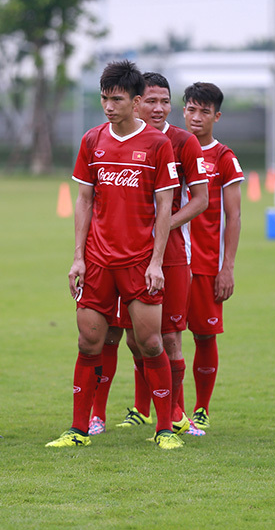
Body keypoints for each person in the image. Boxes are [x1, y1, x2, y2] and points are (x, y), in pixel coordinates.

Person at [46, 60, 183, 449]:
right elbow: (84, 201)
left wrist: (156, 262)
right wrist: (78, 257)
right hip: (98, 261)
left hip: (140, 262)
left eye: (117, 99)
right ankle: (78, 430)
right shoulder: (92, 140)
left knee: (151, 343)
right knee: (88, 343)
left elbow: (165, 207)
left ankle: (164, 429)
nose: (108, 106)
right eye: (104, 98)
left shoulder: (157, 145)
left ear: (136, 102)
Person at [87, 72, 209, 437]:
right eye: (151, 101)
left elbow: (201, 199)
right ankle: (101, 415)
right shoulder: (106, 138)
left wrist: (160, 227)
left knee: (166, 338)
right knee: (118, 335)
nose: (158, 108)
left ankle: (176, 414)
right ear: (138, 102)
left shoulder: (181, 141)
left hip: (168, 254)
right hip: (119, 254)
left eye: (164, 101)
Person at [182, 82, 244, 432]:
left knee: (204, 336)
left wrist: (227, 268)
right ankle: (167, 410)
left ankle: (201, 408)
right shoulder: (171, 148)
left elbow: (234, 216)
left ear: (216, 116)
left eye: (204, 111)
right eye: (191, 109)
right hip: (173, 259)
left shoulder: (223, 158)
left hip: (206, 263)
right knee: (161, 336)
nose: (197, 117)